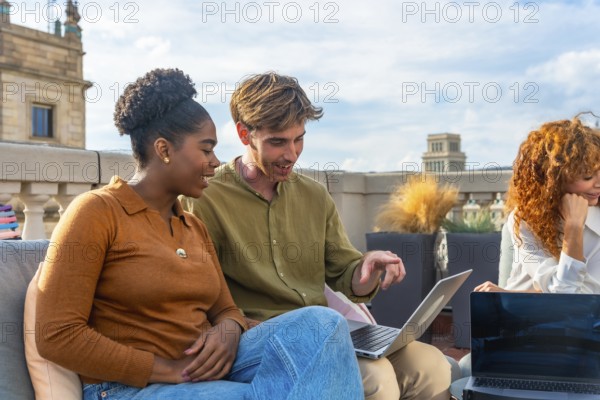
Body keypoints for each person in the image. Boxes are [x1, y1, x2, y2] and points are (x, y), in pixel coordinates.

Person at [35, 68, 363, 400]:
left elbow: (226, 308)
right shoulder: (96, 212)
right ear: (164, 150)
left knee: (324, 327)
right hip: (129, 387)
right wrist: (167, 369)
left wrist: (229, 329)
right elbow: (57, 334)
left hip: (205, 368)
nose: (215, 161)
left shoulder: (191, 226)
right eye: (206, 150)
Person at [183, 72, 452, 400]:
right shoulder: (205, 198)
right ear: (243, 134)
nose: (292, 154)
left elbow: (346, 273)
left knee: (433, 364)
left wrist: (366, 269)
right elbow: (197, 296)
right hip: (260, 336)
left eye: (299, 139)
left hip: (331, 331)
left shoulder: (314, 196)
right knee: (375, 377)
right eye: (278, 142)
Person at [475, 116, 600, 294]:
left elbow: (572, 297)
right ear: (554, 179)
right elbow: (565, 295)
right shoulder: (527, 219)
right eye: (587, 176)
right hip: (526, 318)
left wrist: (513, 295)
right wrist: (574, 227)